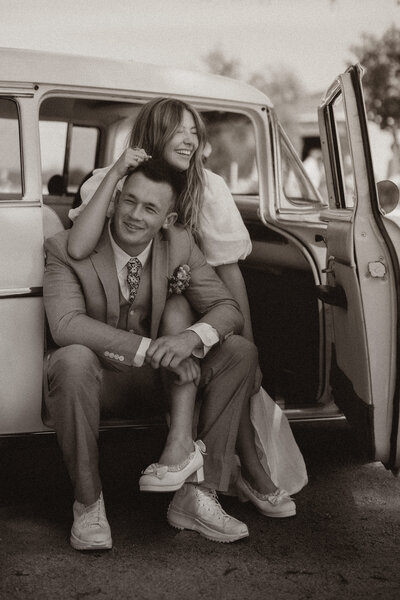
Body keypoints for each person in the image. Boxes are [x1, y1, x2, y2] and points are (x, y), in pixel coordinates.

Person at [67, 97, 306, 508]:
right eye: (180, 129)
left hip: (191, 317)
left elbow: (228, 276)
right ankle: (237, 468)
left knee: (211, 332)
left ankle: (227, 467)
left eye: (195, 131)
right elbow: (82, 249)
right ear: (155, 132)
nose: (191, 140)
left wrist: (250, 350)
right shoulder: (108, 182)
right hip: (126, 315)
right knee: (177, 307)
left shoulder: (208, 187)